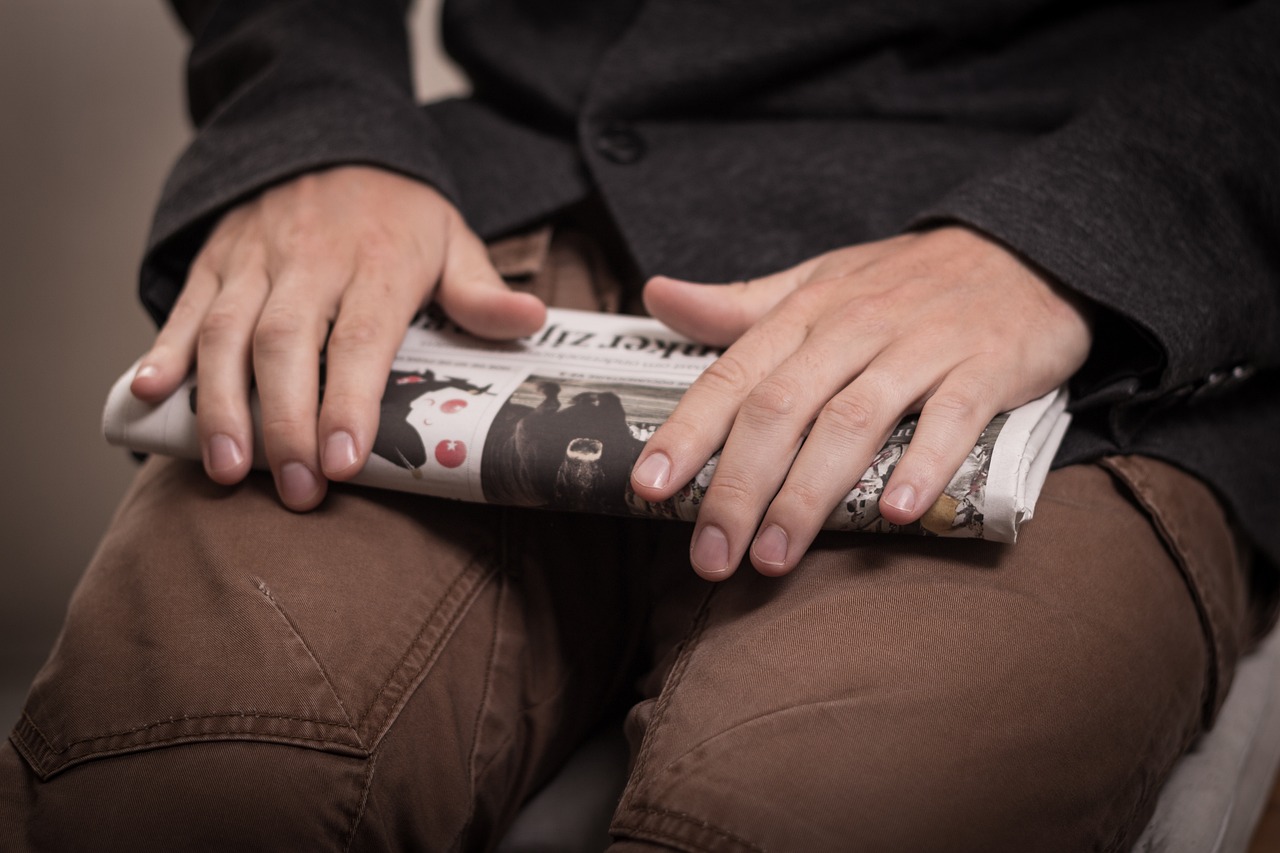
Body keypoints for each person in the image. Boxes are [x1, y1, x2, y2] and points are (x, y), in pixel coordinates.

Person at [3, 1, 1278, 850]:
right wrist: (308, 120)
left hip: (1069, 307)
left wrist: (1099, 237)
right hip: (496, 221)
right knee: (172, 777)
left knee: (818, 813)